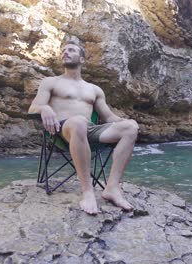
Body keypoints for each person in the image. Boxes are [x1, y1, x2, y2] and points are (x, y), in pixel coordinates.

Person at [28, 40, 139, 215]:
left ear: (81, 59)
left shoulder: (94, 89)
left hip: (90, 131)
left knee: (131, 127)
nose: (65, 52)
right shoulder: (51, 82)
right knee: (78, 121)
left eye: (70, 50)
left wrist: (128, 122)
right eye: (63, 50)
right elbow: (33, 108)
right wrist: (44, 108)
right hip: (61, 131)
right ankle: (88, 192)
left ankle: (112, 188)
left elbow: (109, 117)